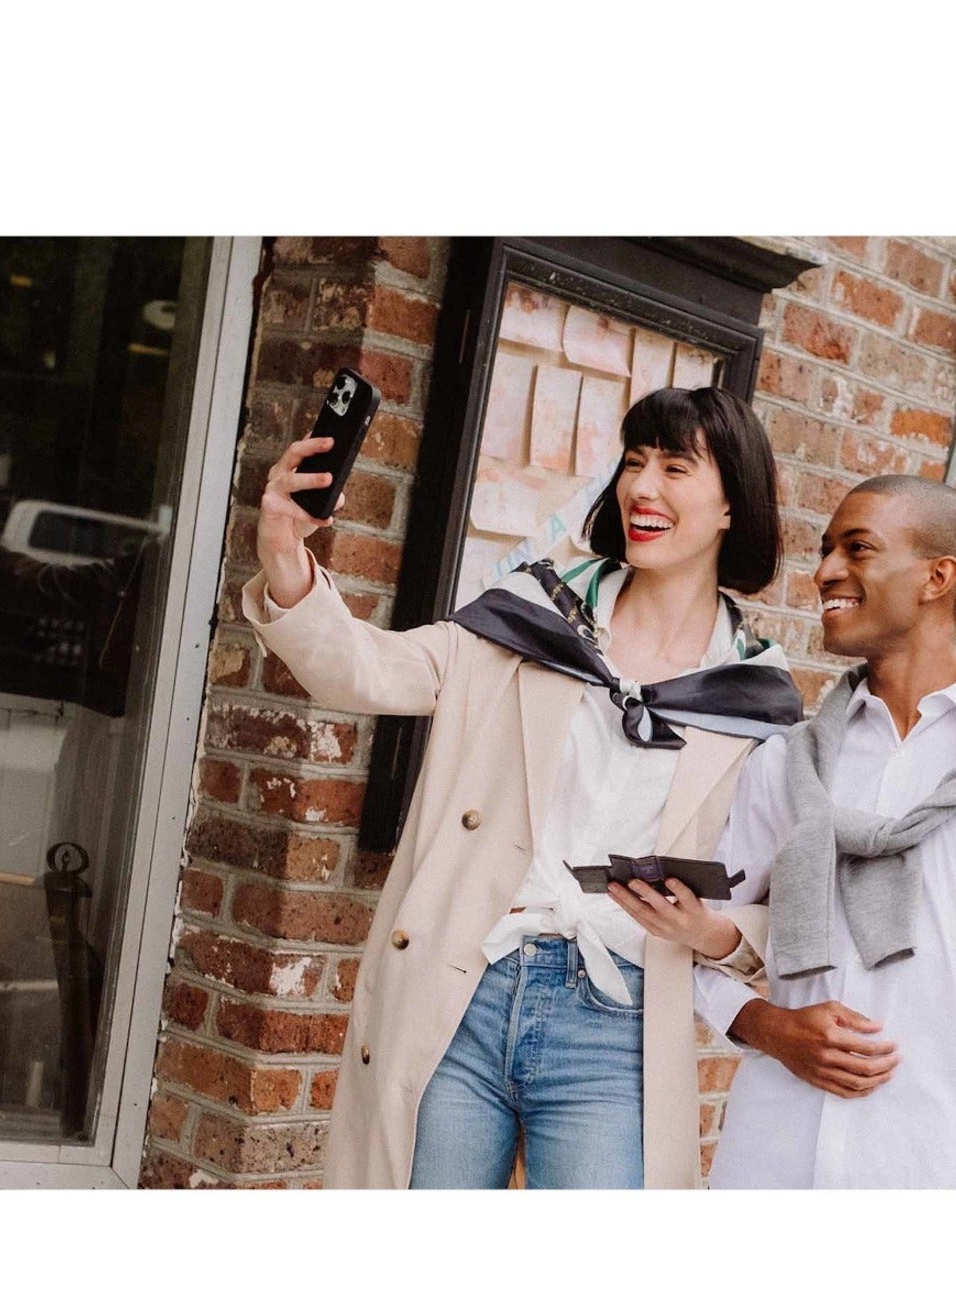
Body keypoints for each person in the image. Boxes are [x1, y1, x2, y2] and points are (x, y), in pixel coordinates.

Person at [242, 386, 801, 1188]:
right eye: (635, 462)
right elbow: (365, 668)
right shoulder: (537, 615)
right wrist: (286, 557)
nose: (643, 488)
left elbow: (781, 902)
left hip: (618, 1026)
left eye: (677, 468)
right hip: (465, 991)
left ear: (731, 507)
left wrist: (708, 931)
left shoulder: (756, 698)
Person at [614, 474, 956, 1188]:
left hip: (928, 1169)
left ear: (937, 578)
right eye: (825, 551)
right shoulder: (787, 762)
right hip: (767, 1161)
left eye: (858, 549)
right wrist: (769, 1028)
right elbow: (703, 944)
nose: (824, 572)